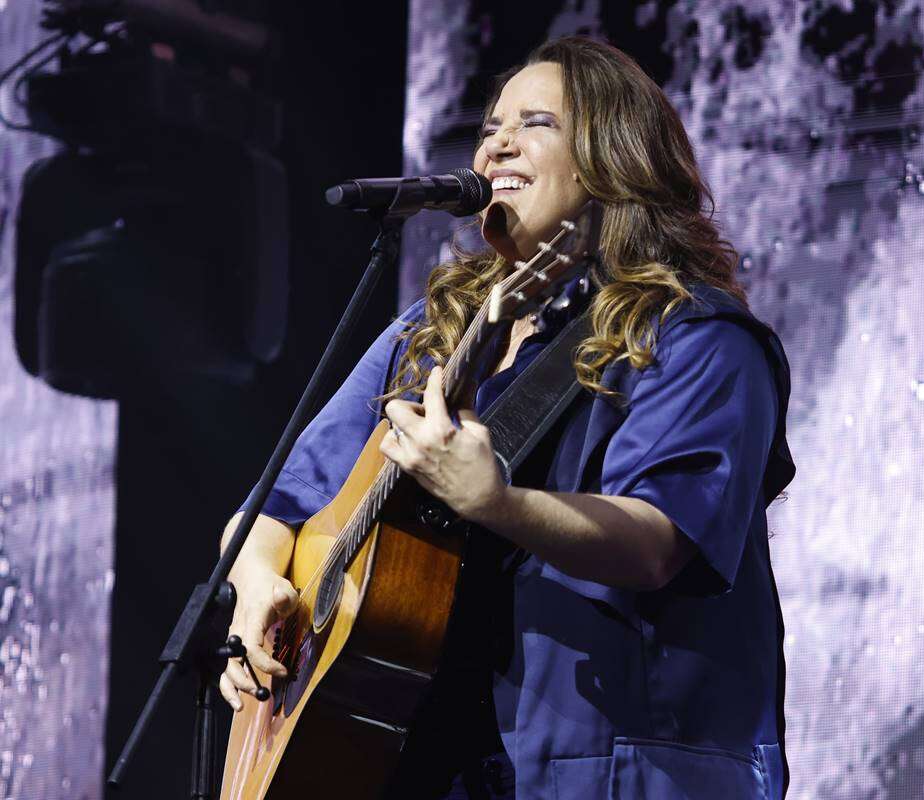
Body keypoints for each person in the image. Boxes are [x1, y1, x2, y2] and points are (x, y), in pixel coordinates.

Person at [219, 36, 795, 800]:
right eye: (491, 126)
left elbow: (660, 540)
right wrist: (259, 585)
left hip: (617, 769)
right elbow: (269, 512)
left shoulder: (697, 337)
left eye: (537, 123)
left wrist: (498, 503)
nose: (497, 144)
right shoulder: (428, 336)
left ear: (613, 158)